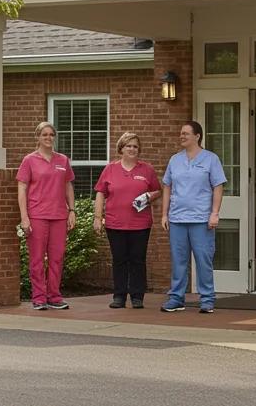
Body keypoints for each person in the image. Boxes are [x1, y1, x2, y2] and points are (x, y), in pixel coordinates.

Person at [160, 121, 227, 314]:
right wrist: (164, 214)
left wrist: (214, 213)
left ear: (197, 136)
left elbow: (218, 186)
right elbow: (167, 186)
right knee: (178, 260)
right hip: (177, 219)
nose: (181, 136)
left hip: (201, 219)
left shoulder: (211, 159)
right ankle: (176, 298)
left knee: (203, 259)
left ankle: (207, 299)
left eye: (186, 133)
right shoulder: (175, 160)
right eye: (181, 133)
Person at [93, 132, 161, 309]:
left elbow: (157, 190)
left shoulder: (147, 169)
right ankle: (119, 296)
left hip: (140, 224)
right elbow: (100, 193)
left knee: (138, 260)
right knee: (119, 260)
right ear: (121, 148)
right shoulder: (110, 169)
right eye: (128, 146)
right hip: (115, 224)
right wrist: (97, 218)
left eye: (135, 146)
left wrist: (148, 196)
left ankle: (137, 297)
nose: (132, 149)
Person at [17, 121, 76, 311]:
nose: (49, 138)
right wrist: (24, 217)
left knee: (57, 258)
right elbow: (22, 188)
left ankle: (54, 297)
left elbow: (68, 186)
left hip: (59, 215)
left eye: (51, 135)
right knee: (36, 259)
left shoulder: (63, 160)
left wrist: (72, 211)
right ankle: (39, 297)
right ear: (38, 137)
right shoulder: (29, 160)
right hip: (37, 215)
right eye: (45, 135)